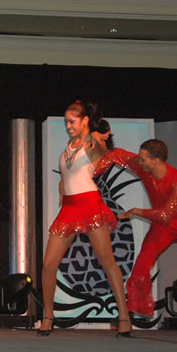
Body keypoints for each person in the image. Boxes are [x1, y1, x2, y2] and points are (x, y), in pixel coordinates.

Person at [94, 139, 177, 337]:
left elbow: (166, 215)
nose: (140, 161)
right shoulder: (141, 166)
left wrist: (138, 211)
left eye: (144, 158)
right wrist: (91, 171)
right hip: (162, 227)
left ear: (156, 160)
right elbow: (117, 154)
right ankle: (131, 314)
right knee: (142, 263)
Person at [39, 100, 132, 337]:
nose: (68, 125)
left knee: (107, 260)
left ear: (84, 121)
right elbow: (67, 175)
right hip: (69, 209)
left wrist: (101, 137)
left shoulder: (92, 141)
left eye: (72, 121)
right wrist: (61, 187)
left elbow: (101, 151)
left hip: (89, 204)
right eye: (65, 122)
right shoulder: (70, 145)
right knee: (49, 264)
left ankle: (124, 317)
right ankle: (48, 316)